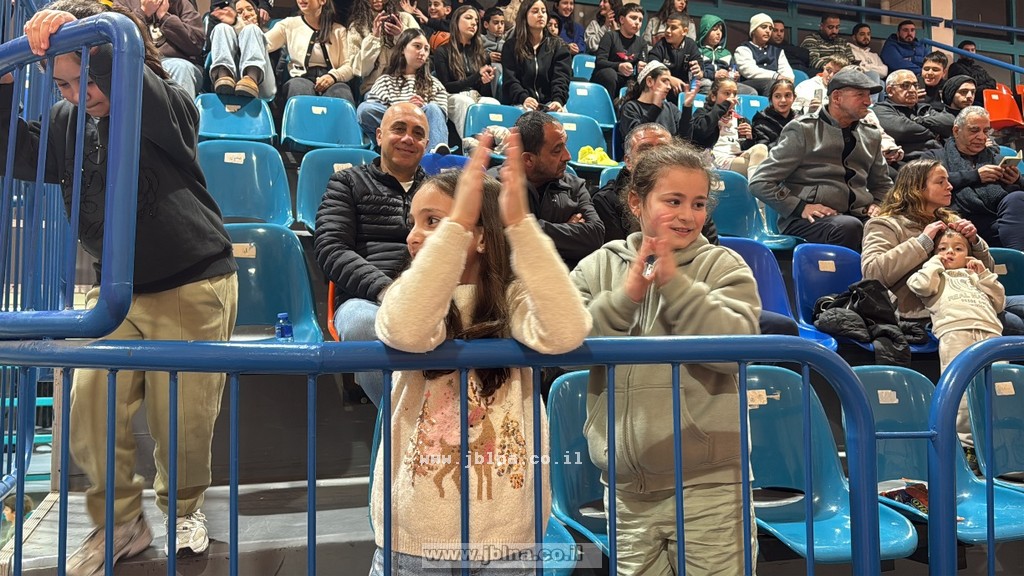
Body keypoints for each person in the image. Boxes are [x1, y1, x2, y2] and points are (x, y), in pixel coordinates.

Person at [3, 2, 239, 572]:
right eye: (63, 83)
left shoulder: (166, 97)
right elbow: (17, 152)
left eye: (87, 77)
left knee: (181, 423)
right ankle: (122, 522)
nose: (77, 94)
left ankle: (184, 510)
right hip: (115, 291)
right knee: (87, 408)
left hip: (190, 280)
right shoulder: (68, 120)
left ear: (116, 60)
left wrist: (81, 28)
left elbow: (140, 91)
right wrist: (6, 85)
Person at [368, 134, 590, 575]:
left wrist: (520, 227)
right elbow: (408, 328)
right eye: (414, 222)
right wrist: (455, 230)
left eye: (433, 221)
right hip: (416, 540)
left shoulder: (514, 301)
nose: (413, 236)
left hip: (508, 541)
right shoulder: (410, 296)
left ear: (483, 237)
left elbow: (567, 330)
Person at [571, 141, 761, 576]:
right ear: (636, 202)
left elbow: (736, 349)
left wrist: (676, 286)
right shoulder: (597, 266)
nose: (688, 215)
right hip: (625, 492)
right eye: (673, 201)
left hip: (711, 489)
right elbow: (567, 345)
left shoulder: (723, 265)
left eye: (698, 204)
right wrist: (626, 298)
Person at [314, 103, 430, 407]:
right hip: (366, 299)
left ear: (426, 144)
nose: (408, 138)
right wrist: (386, 290)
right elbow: (331, 248)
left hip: (429, 299)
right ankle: (401, 422)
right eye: (399, 129)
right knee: (362, 326)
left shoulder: (438, 191)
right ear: (379, 135)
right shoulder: (347, 182)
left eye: (418, 133)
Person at [749, 68, 891, 251]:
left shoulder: (871, 134)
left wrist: (878, 203)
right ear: (837, 97)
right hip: (807, 220)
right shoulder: (803, 130)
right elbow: (760, 182)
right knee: (850, 227)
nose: (868, 101)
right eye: (860, 95)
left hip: (859, 215)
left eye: (868, 95)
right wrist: (800, 207)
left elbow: (883, 185)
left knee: (902, 225)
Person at [907, 228, 1003, 448]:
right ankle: (965, 446)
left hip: (991, 333)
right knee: (962, 394)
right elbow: (920, 286)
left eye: (958, 249)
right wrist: (934, 263)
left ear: (968, 255)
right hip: (956, 332)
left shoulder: (976, 276)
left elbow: (999, 302)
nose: (949, 252)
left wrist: (984, 274)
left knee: (998, 389)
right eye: (942, 249)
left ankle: (996, 445)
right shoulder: (933, 275)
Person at [486, 112, 604, 268]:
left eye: (565, 145)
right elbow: (502, 245)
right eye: (557, 150)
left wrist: (522, 228)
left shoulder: (575, 186)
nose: (567, 156)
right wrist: (568, 232)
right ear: (528, 159)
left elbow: (595, 236)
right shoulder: (495, 185)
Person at [923, 106, 1024, 250]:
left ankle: (1018, 258)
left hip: (1002, 222)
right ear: (956, 131)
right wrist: (975, 176)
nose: (982, 137)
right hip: (958, 222)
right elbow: (926, 184)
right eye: (974, 130)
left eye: (986, 131)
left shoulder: (997, 158)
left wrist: (1017, 180)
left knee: (1017, 198)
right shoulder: (934, 157)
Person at [358, 29, 450, 154]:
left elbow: (439, 119)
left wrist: (418, 112)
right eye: (417, 46)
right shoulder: (385, 81)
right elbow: (368, 114)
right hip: (395, 132)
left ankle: (433, 157)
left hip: (420, 136)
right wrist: (405, 109)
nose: (422, 52)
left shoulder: (435, 84)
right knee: (365, 108)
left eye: (426, 49)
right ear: (402, 49)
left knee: (433, 109)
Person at [264, 0, 356, 105]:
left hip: (333, 80)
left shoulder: (339, 30)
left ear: (322, 1)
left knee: (342, 94)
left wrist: (333, 77)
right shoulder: (288, 25)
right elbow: (263, 44)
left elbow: (349, 65)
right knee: (299, 91)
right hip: (300, 78)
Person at [433, 5, 500, 141]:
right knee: (465, 102)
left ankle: (496, 146)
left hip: (476, 96)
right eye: (468, 18)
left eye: (476, 21)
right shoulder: (442, 52)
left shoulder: (482, 55)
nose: (473, 23)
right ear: (456, 21)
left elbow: (485, 93)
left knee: (492, 103)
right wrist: (477, 75)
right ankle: (471, 145)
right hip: (452, 97)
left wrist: (485, 82)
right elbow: (446, 87)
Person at [116, 0, 204, 97]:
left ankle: (180, 107)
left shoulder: (182, 4)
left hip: (181, 66)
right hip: (142, 65)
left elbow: (196, 46)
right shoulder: (123, 3)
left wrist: (164, 17)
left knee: (180, 68)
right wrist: (144, 12)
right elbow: (121, 41)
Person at [501, 0, 570, 111]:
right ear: (524, 15)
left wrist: (558, 100)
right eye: (535, 11)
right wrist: (524, 98)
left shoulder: (558, 45)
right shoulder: (511, 46)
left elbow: (561, 78)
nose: (541, 15)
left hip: (549, 103)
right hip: (521, 103)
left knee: (562, 116)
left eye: (543, 11)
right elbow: (511, 80)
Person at [691, 78, 768, 177]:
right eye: (727, 93)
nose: (732, 97)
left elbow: (744, 147)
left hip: (738, 156)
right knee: (763, 169)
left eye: (734, 94)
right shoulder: (703, 113)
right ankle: (757, 184)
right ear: (713, 96)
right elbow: (701, 133)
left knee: (761, 148)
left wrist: (749, 138)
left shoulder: (740, 119)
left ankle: (755, 184)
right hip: (714, 159)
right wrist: (723, 107)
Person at [348, 0, 420, 98]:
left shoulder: (406, 19)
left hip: (407, 85)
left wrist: (402, 35)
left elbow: (421, 54)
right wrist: (373, 38)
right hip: (374, 88)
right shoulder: (357, 27)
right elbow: (360, 70)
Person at [206, 0, 275, 99]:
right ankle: (224, 76)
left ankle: (251, 78)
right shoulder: (227, 34)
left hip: (262, 86)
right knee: (221, 27)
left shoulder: (267, 32)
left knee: (251, 29)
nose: (246, 14)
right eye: (239, 12)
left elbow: (270, 45)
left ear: (257, 12)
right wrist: (235, 24)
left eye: (250, 9)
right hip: (230, 83)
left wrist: (244, 25)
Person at [616, 60, 696, 146]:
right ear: (649, 81)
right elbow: (637, 140)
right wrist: (655, 107)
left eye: (669, 82)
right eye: (664, 81)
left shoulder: (671, 108)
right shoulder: (630, 108)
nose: (669, 87)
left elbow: (685, 141)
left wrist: (687, 108)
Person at [871, 69, 942, 165]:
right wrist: (935, 131)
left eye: (915, 85)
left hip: (938, 157)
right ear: (890, 90)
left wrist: (918, 121)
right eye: (905, 85)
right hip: (909, 163)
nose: (912, 90)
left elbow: (948, 123)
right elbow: (903, 130)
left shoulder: (924, 107)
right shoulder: (880, 109)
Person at [593, 3, 648, 103]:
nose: (637, 23)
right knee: (610, 74)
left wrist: (641, 66)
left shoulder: (642, 42)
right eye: (633, 18)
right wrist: (619, 66)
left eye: (640, 20)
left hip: (627, 80)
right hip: (606, 77)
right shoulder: (610, 36)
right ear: (622, 20)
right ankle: (607, 108)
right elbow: (600, 62)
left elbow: (642, 65)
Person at [733, 12, 793, 96]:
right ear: (753, 30)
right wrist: (775, 76)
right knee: (771, 84)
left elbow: (788, 73)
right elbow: (749, 71)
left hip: (775, 84)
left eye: (770, 28)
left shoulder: (778, 52)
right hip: (750, 84)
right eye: (764, 27)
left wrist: (787, 80)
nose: (768, 31)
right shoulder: (743, 49)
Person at [646, 11, 703, 91]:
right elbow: (652, 64)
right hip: (663, 87)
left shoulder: (691, 45)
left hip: (684, 89)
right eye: (667, 26)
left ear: (684, 31)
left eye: (673, 28)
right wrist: (669, 79)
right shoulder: (661, 44)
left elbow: (700, 65)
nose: (668, 31)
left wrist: (699, 72)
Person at [751, 78, 795, 147]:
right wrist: (787, 138)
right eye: (777, 96)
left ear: (794, 98)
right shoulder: (761, 123)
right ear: (771, 99)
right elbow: (763, 150)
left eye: (787, 95)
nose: (783, 100)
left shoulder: (799, 119)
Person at [930, 75, 976, 140]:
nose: (970, 96)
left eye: (973, 92)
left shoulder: (978, 119)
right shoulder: (938, 122)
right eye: (963, 92)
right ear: (950, 94)